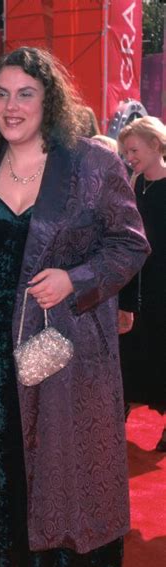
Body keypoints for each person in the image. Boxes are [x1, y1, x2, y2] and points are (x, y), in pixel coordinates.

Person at [0, 47, 149, 567]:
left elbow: (130, 243)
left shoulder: (92, 162)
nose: (11, 107)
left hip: (67, 349)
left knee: (63, 472)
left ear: (50, 99)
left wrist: (78, 277)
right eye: (2, 95)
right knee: (12, 468)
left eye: (26, 94)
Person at [118, 116, 166, 451]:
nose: (129, 156)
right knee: (131, 350)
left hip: (163, 285)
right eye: (126, 151)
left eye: (134, 149)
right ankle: (115, 418)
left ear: (155, 145)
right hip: (137, 285)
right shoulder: (134, 184)